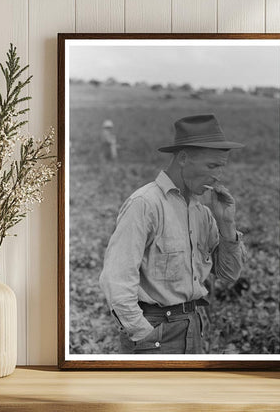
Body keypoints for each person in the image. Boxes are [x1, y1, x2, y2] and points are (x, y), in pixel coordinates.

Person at [99, 114, 247, 354]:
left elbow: (228, 275)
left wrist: (227, 224)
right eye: (212, 166)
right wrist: (143, 334)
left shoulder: (203, 213)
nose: (218, 176)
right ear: (184, 158)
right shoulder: (144, 204)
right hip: (153, 332)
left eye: (221, 166)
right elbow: (116, 280)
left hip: (193, 328)